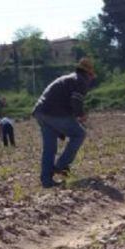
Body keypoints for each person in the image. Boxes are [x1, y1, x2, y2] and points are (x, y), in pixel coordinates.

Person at [32, 57, 95, 188]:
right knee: (79, 134)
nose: (91, 79)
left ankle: (46, 181)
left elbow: (64, 102)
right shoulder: (80, 81)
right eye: (91, 76)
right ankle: (61, 166)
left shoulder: (69, 79)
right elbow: (76, 101)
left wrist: (63, 127)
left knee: (49, 148)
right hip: (53, 112)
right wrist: (81, 115)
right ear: (88, 74)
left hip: (40, 111)